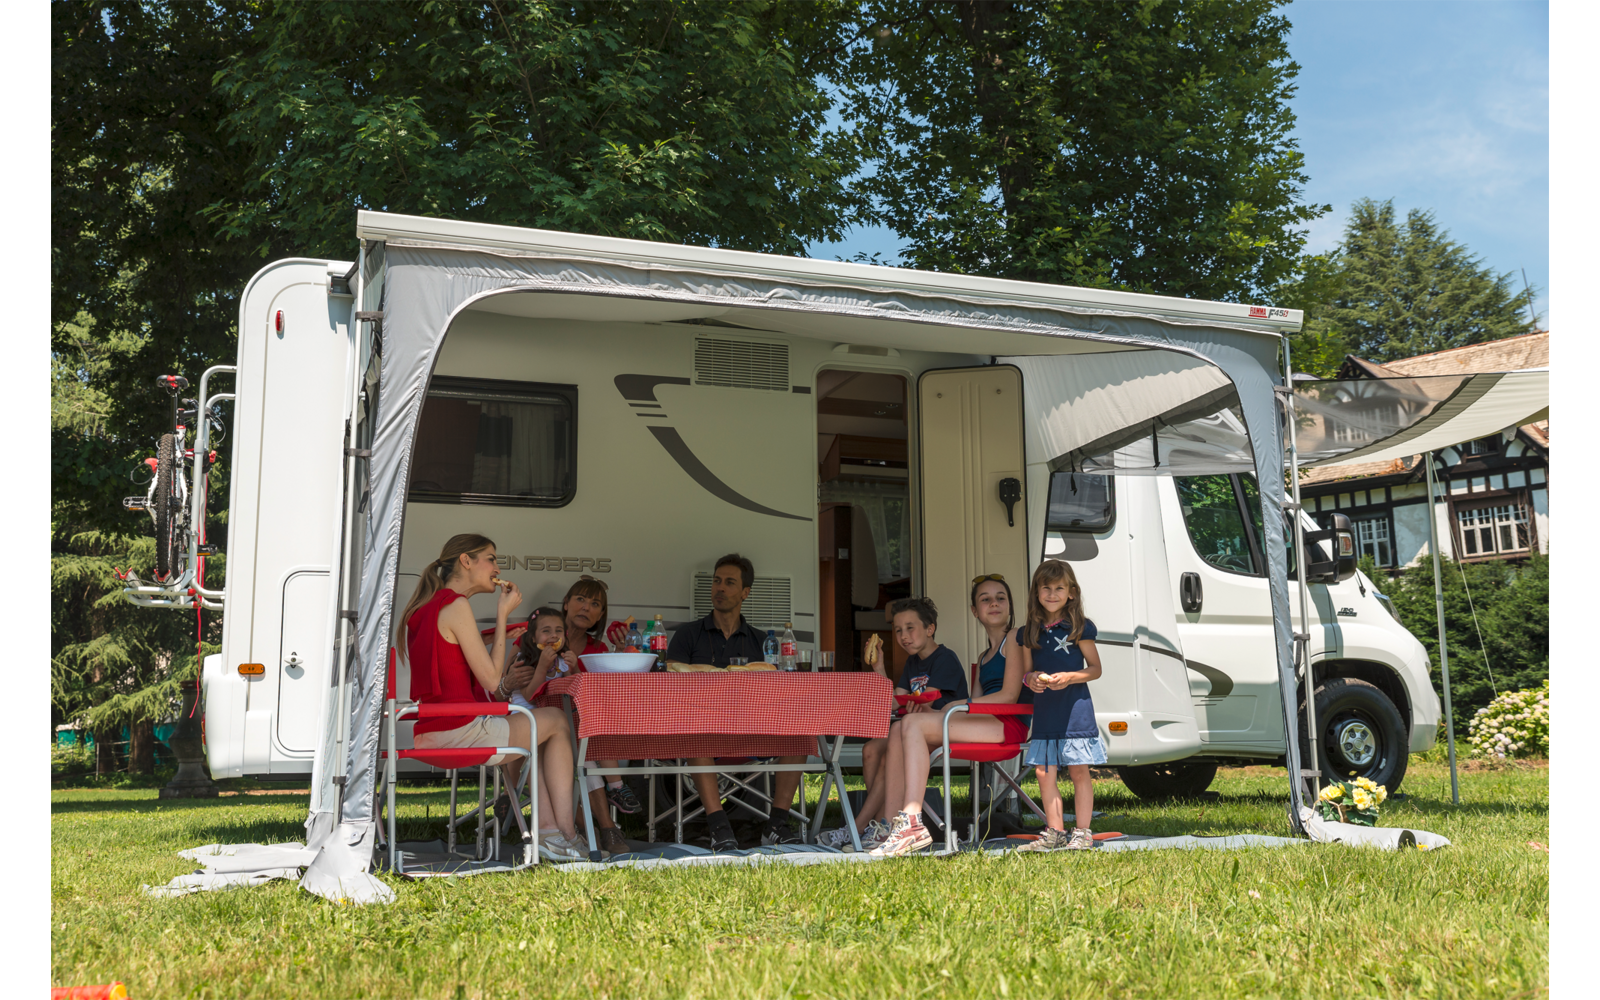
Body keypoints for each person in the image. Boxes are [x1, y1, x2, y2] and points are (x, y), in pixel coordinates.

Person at [397, 533, 586, 862]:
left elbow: (449, 655)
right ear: (466, 562)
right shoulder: (455, 604)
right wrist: (501, 615)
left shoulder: (425, 607)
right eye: (492, 558)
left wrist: (493, 634)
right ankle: (562, 834)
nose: (497, 567)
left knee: (533, 735)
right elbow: (491, 678)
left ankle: (552, 831)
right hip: (460, 731)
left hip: (428, 732)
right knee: (555, 721)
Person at [821, 574, 1027, 851]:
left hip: (1010, 724)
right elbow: (974, 703)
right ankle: (891, 825)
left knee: (913, 724)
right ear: (974, 611)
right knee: (898, 729)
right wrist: (958, 707)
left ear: (1010, 607)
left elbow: (1009, 696)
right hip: (985, 722)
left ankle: (912, 821)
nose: (994, 603)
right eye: (985, 599)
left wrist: (956, 705)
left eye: (1000, 598)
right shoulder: (984, 656)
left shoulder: (1014, 638)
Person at [664, 553, 808, 851]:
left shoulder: (761, 641)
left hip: (749, 730)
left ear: (745, 592)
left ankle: (777, 824)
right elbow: (670, 685)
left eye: (730, 583)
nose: (720, 588)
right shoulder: (688, 634)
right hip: (701, 727)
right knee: (696, 733)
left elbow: (777, 691)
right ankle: (719, 826)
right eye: (717, 581)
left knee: (800, 737)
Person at [1012, 559, 1104, 852]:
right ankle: (1054, 832)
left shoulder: (1079, 628)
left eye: (1059, 588)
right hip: (1046, 711)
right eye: (1046, 588)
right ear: (1036, 592)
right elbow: (1027, 673)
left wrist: (1070, 677)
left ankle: (1083, 833)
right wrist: (1034, 679)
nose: (1052, 594)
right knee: (1043, 772)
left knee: (1079, 770)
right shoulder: (1028, 632)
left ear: (1071, 592)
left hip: (1075, 709)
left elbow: (1095, 669)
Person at [554, 576, 637, 856]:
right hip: (547, 726)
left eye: (595, 604)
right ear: (566, 604)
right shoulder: (546, 636)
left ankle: (601, 830)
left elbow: (598, 697)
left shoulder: (599, 650)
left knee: (585, 749)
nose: (585, 607)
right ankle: (607, 824)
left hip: (582, 732)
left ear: (600, 615)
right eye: (580, 599)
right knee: (585, 748)